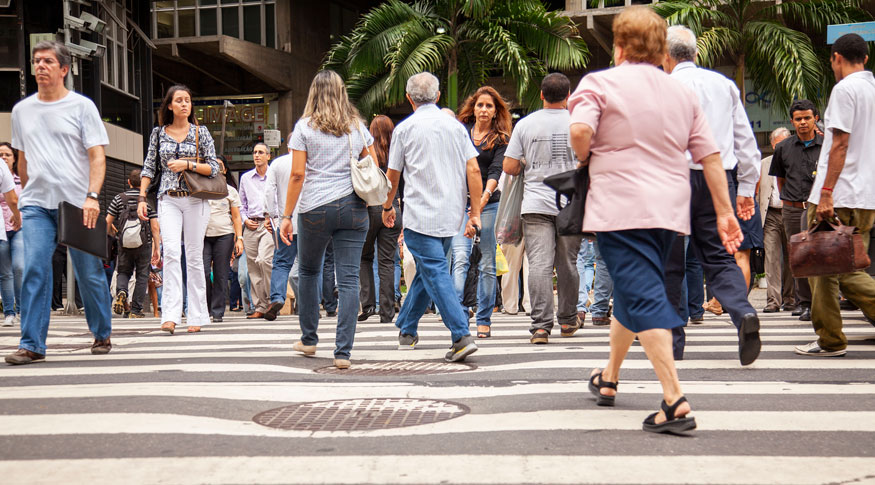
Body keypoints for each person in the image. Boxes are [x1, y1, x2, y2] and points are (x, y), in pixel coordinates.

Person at [568, 6, 741, 433]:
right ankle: (609, 378)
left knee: (643, 294)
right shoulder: (681, 93)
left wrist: (588, 157)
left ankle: (674, 400)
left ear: (619, 45)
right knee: (633, 291)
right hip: (669, 211)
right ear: (662, 49)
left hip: (619, 208)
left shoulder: (600, 82)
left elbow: (578, 132)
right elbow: (711, 156)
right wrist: (724, 212)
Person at [5, 41, 112, 365]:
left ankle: (102, 333)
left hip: (77, 203)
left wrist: (92, 196)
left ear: (63, 69)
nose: (40, 66)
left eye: (48, 61)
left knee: (88, 270)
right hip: (36, 204)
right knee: (34, 268)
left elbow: (97, 157)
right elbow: (22, 160)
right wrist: (23, 199)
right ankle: (32, 344)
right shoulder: (22, 111)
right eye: (36, 61)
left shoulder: (82, 107)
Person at [662, 25, 762, 364]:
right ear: (696, 54)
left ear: (666, 56)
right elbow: (745, 142)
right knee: (720, 256)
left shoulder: (662, 87)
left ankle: (674, 342)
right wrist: (746, 189)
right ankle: (743, 312)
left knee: (669, 261)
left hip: (672, 181)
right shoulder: (724, 85)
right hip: (718, 179)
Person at [380, 71, 483, 362]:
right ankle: (407, 327)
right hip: (451, 215)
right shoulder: (456, 128)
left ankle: (461, 335)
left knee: (434, 271)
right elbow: (474, 170)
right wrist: (474, 213)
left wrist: (387, 207)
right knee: (431, 271)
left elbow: (393, 174)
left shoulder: (405, 129)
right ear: (438, 97)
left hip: (419, 215)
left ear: (409, 98)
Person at [278, 70, 373, 370]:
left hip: (315, 208)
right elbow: (372, 164)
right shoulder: (357, 127)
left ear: (313, 94)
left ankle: (309, 339)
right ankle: (342, 352)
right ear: (342, 93)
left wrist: (285, 215)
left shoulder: (303, 128)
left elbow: (297, 174)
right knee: (348, 280)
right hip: (354, 207)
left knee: (308, 271)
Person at [796, 33, 875, 356]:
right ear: (866, 58)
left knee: (826, 270)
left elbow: (840, 144)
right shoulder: (872, 88)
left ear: (836, 58)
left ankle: (830, 339)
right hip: (866, 197)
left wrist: (826, 192)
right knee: (847, 268)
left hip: (839, 193)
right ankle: (830, 337)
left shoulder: (845, 89)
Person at [503, 72, 583, 345]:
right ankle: (569, 319)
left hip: (535, 203)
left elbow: (509, 166)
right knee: (568, 263)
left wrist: (528, 162)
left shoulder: (525, 124)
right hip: (571, 204)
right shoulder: (578, 122)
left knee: (538, 264)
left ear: (541, 95)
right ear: (568, 95)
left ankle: (540, 326)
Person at [139, 84, 220, 335]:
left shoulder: (201, 132)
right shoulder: (158, 134)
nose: (185, 104)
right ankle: (170, 315)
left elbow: (214, 168)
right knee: (171, 252)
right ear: (170, 106)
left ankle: (197, 314)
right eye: (179, 100)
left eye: (188, 100)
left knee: (195, 257)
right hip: (168, 198)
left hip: (195, 198)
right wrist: (142, 197)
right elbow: (149, 167)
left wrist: (187, 164)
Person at [451, 86, 510, 338]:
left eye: (489, 106)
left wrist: (482, 200)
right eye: (480, 105)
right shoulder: (461, 132)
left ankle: (484, 318)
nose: (484, 110)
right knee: (460, 259)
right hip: (459, 204)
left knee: (486, 262)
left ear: (495, 111)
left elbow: (496, 171)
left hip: (489, 203)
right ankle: (459, 316)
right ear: (472, 108)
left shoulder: (500, 138)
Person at [768, 99, 823, 322]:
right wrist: (790, 202)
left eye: (807, 118)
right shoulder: (783, 148)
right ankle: (804, 303)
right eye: (798, 119)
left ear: (815, 118)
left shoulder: (826, 145)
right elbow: (780, 181)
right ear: (792, 121)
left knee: (821, 255)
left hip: (820, 209)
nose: (802, 122)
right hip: (792, 209)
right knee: (798, 256)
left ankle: (823, 301)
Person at [358, 115, 402, 324]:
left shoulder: (365, 152)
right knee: (386, 261)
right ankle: (387, 311)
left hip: (368, 209)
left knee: (364, 257)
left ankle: (367, 305)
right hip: (393, 207)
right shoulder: (397, 152)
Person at [106, 169, 160, 318]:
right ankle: (136, 310)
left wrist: (108, 237)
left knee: (123, 271)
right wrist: (157, 248)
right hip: (144, 243)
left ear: (128, 182)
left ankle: (122, 291)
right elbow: (155, 226)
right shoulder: (147, 201)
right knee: (142, 275)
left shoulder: (119, 198)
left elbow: (108, 221)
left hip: (124, 243)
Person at [203, 156, 243, 322]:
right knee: (203, 272)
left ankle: (217, 312)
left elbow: (236, 217)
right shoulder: (202, 188)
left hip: (224, 235)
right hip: (203, 236)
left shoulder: (230, 191)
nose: (217, 169)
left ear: (225, 170)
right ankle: (204, 309)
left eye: (220, 166)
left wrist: (239, 238)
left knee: (221, 274)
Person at [759, 127, 794, 313]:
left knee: (792, 258)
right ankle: (773, 300)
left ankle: (790, 298)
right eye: (778, 144)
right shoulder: (764, 164)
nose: (781, 147)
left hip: (791, 212)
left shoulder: (795, 160)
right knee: (771, 258)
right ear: (773, 145)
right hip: (770, 215)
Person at [263, 139, 298, 321]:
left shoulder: (277, 163)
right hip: (311, 220)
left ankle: (277, 297)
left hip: (285, 221)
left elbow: (269, 192)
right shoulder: (311, 161)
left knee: (282, 262)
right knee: (312, 265)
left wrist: (270, 215)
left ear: (289, 145)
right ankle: (312, 303)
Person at [239, 143, 275, 319]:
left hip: (268, 224)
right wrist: (245, 220)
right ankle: (260, 306)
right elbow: (241, 205)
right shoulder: (245, 178)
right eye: (254, 152)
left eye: (261, 152)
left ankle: (271, 301)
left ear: (268, 156)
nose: (257, 155)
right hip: (251, 225)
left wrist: (275, 219)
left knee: (264, 260)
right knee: (252, 268)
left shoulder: (273, 176)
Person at [0, 142, 23, 326]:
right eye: (0, 154)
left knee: (19, 267)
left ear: (14, 158)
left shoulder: (21, 179)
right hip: (1, 229)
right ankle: (9, 312)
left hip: (19, 227)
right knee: (5, 272)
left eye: (7, 154)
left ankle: (23, 309)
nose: (4, 157)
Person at [576, 239, 596, 323]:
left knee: (578, 261)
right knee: (589, 266)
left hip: (579, 236)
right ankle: (586, 293)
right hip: (591, 238)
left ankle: (582, 296)